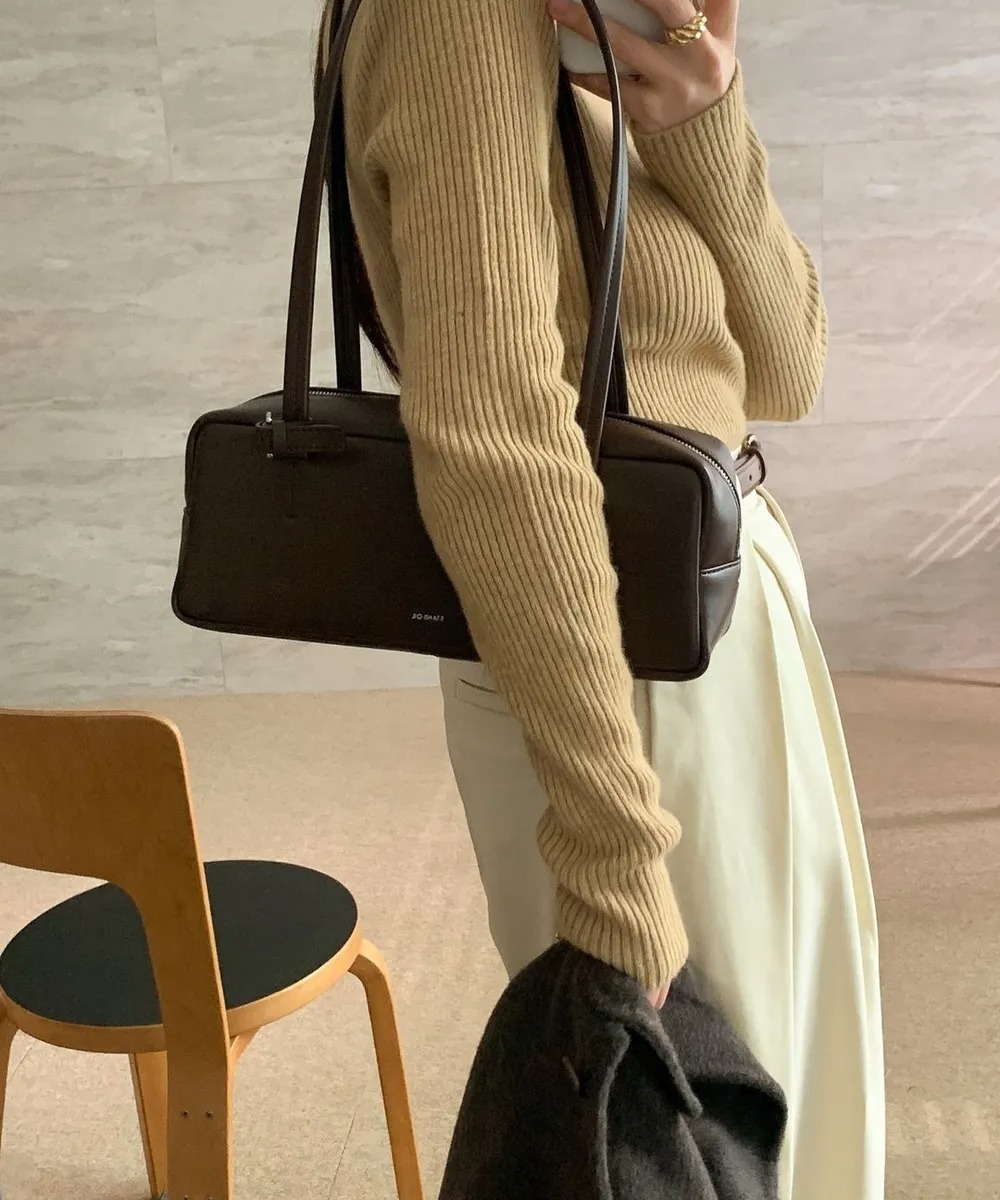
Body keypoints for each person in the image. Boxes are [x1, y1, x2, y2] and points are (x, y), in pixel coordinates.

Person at [321, 0, 885, 1196]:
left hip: (720, 609)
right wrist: (612, 844)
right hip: (618, 658)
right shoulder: (458, 17)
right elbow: (494, 430)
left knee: (785, 1090)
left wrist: (704, 124)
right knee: (692, 1134)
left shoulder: (616, 43)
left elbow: (787, 369)